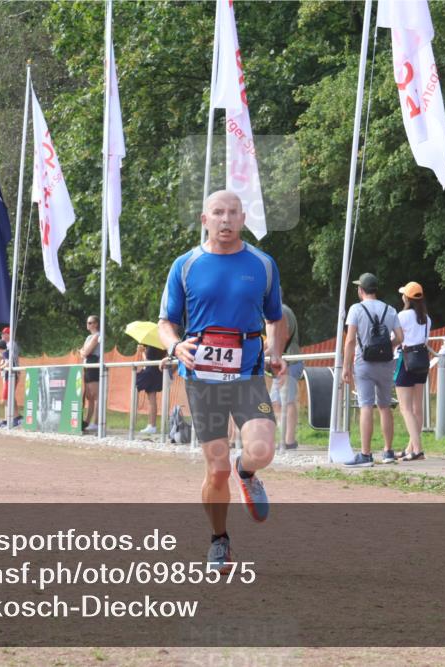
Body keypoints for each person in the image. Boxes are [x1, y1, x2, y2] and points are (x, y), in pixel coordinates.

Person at [158, 189, 286, 573]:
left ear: (243, 218)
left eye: (232, 213)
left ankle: (246, 471)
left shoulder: (262, 264)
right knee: (215, 469)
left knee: (262, 450)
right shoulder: (185, 265)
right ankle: (219, 540)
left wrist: (274, 351)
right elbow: (166, 322)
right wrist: (176, 346)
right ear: (205, 220)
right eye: (218, 213)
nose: (225, 220)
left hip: (247, 374)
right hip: (201, 378)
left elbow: (274, 316)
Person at [342, 273, 404, 466]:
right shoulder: (390, 309)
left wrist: (346, 366)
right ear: (375, 290)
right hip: (386, 363)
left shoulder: (356, 309)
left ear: (361, 290)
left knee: (366, 405)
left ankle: (366, 454)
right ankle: (388, 452)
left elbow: (351, 340)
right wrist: (389, 347)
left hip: (364, 363)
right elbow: (400, 337)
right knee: (385, 406)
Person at [395, 281, 432, 462]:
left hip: (406, 361)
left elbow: (396, 338)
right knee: (418, 408)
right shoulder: (427, 318)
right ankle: (411, 447)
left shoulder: (402, 316)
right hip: (422, 362)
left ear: (406, 298)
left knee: (405, 407)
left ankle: (417, 449)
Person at [268, 302, 304, 450]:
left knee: (287, 401)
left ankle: (289, 440)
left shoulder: (280, 311)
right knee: (276, 401)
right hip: (286, 361)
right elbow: (272, 340)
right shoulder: (280, 310)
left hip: (289, 361)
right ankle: (284, 437)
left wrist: (270, 354)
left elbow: (282, 336)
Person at [135, 344, 166, 434]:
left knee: (136, 387)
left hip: (150, 370)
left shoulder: (152, 345)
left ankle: (136, 415)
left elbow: (148, 360)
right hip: (155, 371)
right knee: (151, 399)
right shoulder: (162, 344)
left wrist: (142, 351)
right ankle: (152, 425)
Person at [79, 316, 101, 433]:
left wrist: (83, 352)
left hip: (93, 366)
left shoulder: (98, 335)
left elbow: (85, 351)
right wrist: (83, 352)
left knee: (96, 396)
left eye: (90, 322)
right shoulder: (89, 337)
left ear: (96, 324)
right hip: (87, 366)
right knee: (89, 397)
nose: (88, 324)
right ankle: (87, 422)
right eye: (87, 322)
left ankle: (96, 422)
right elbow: (82, 352)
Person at [0, 326, 21, 427]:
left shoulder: (10, 344)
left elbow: (9, 359)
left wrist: (2, 365)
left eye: (4, 333)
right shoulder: (8, 344)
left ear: (8, 334)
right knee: (10, 396)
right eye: (2, 333)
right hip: (10, 372)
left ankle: (12, 418)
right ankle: (14, 418)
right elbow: (4, 357)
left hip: (12, 372)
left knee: (7, 397)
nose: (2, 335)